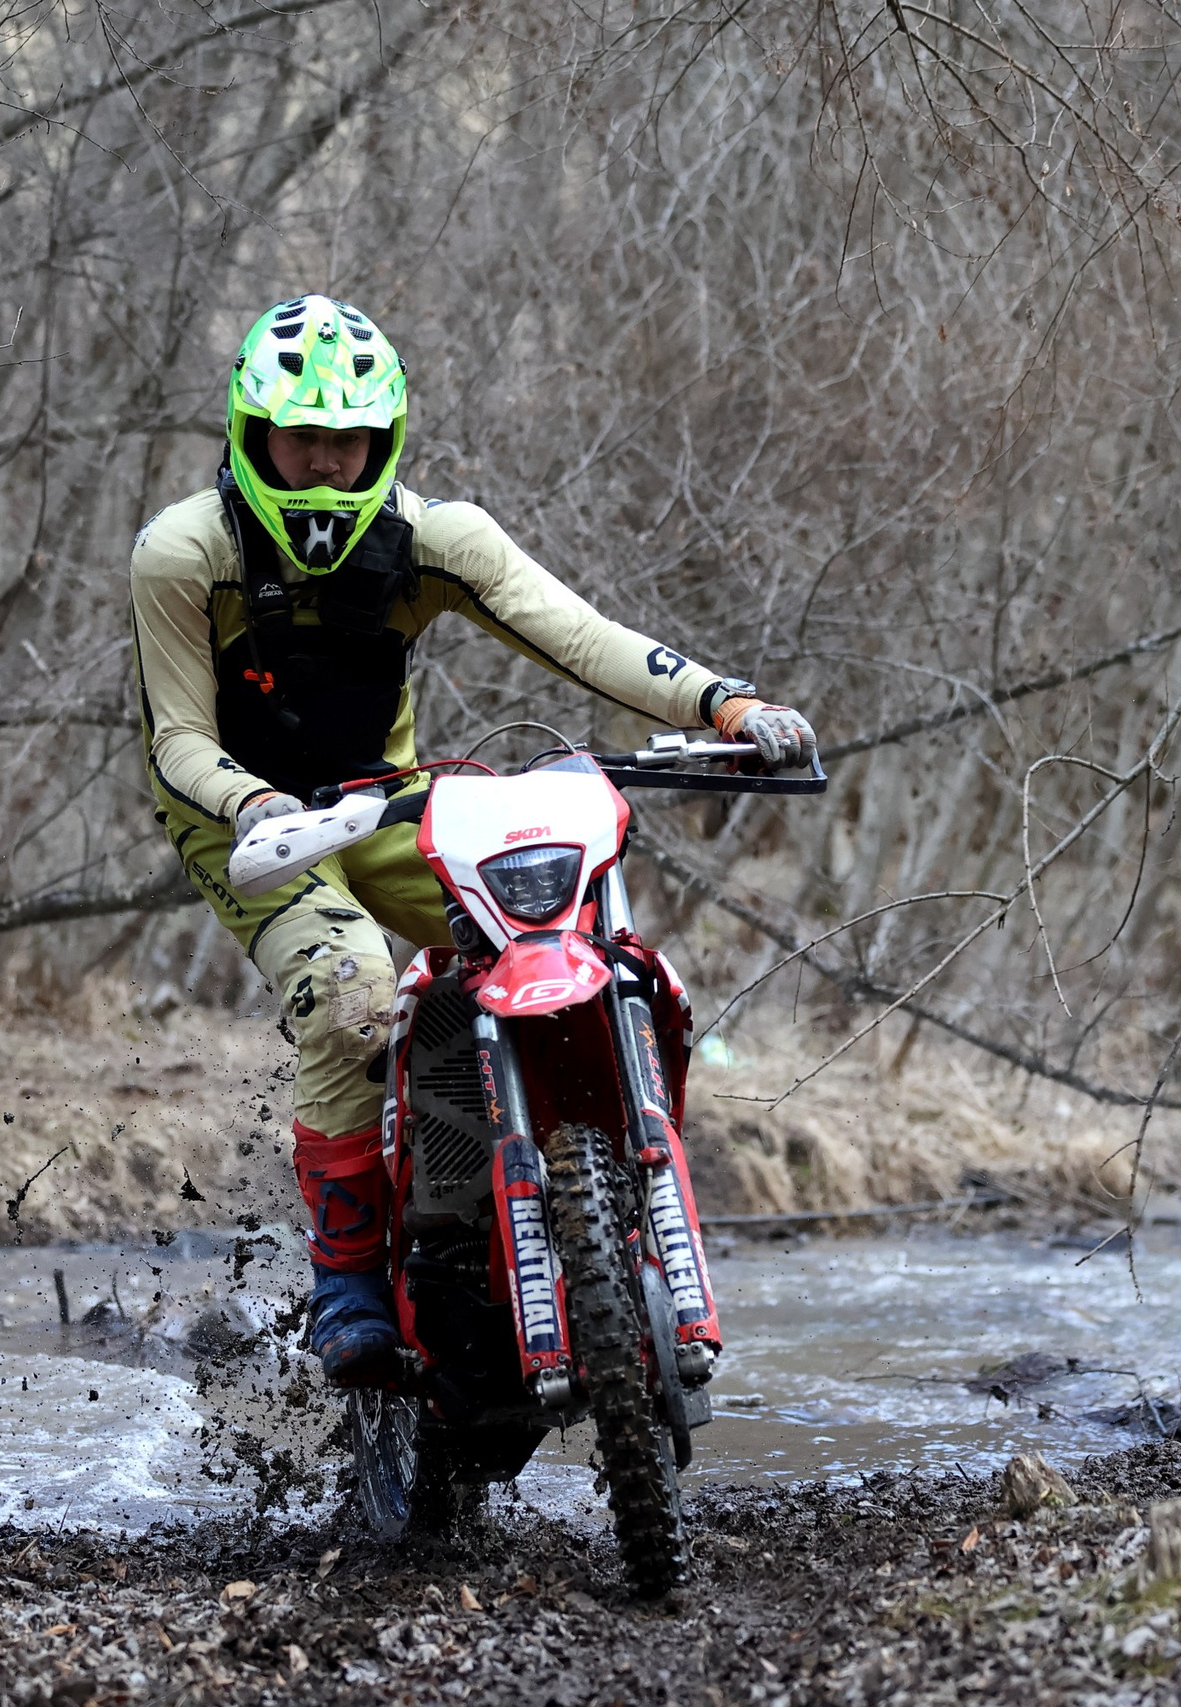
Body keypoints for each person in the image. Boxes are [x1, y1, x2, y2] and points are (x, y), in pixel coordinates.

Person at [129, 294, 817, 1385]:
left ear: (381, 442)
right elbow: (176, 737)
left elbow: (580, 634)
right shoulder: (184, 554)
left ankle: (557, 1184)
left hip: (393, 803)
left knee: (548, 928)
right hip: (244, 823)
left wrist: (723, 706)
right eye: (300, 440)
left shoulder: (432, 538)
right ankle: (347, 1283)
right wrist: (257, 807)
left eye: (344, 443)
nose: (320, 469)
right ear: (254, 435)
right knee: (353, 989)